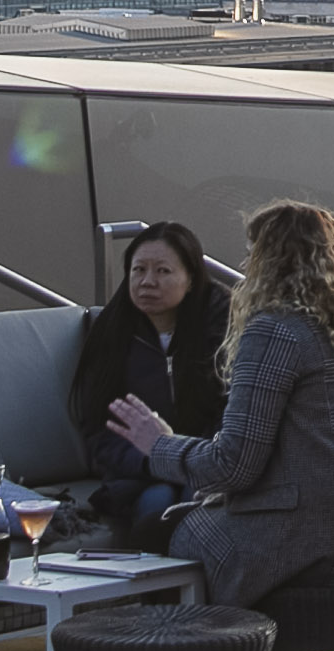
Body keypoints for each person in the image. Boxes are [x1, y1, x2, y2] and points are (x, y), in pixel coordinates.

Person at [110, 200, 334, 624]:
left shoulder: (275, 330)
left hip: (315, 541)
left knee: (153, 531)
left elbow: (234, 466)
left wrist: (160, 444)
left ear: (267, 261)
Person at [69, 217, 230, 546]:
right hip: (139, 474)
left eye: (163, 271)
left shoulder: (226, 329)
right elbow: (99, 430)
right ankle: (161, 597)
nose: (147, 282)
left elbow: (234, 415)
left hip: (206, 466)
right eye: (138, 270)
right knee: (157, 502)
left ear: (191, 279)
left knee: (194, 497)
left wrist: (185, 458)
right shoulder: (111, 333)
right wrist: (153, 460)